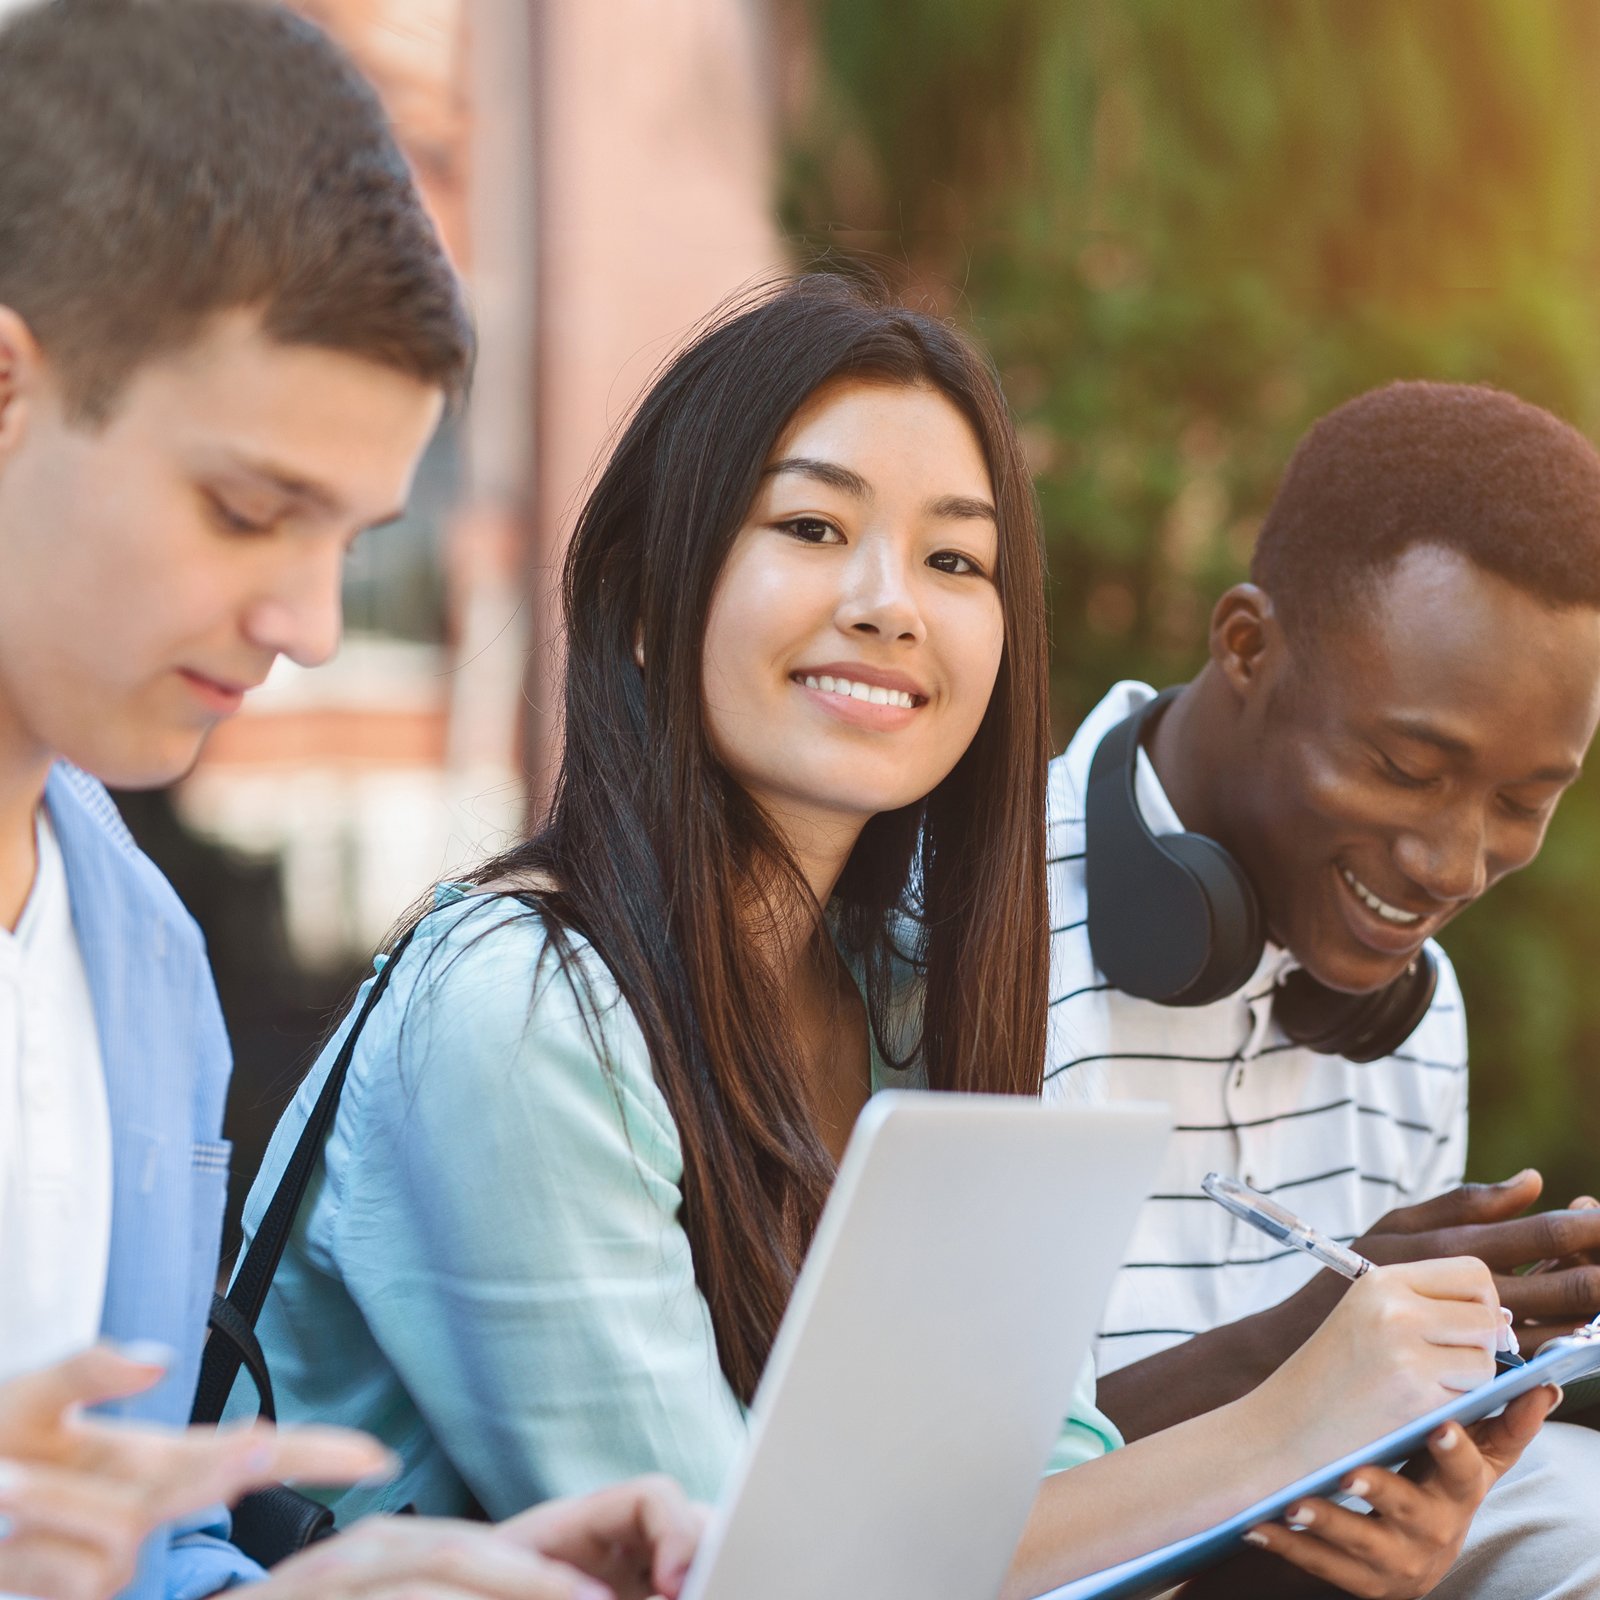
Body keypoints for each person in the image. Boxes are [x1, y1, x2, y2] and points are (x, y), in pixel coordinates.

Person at [238, 278, 1556, 1600]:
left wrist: (1343, 1513)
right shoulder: (518, 1014)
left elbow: (1025, 1495)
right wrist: (1290, 1415)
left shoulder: (916, 1000)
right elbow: (736, 1581)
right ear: (645, 596)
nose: (891, 604)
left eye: (954, 560)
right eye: (813, 527)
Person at [0, 2, 701, 1597]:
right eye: (251, 510)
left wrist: (354, 1590)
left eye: (353, 541)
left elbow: (118, 1556)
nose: (311, 623)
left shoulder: (146, 970)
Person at [1045, 380, 1600, 1596]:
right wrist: (1293, 1357)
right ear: (1246, 647)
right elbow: (907, 1507)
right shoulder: (958, 930)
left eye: (1523, 800)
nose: (1453, 866)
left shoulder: (1419, 1005)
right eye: (1404, 765)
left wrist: (1422, 1507)